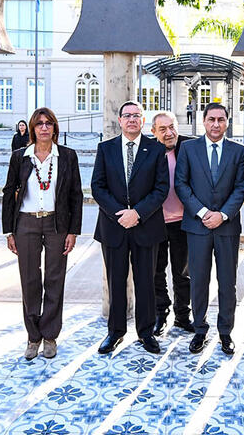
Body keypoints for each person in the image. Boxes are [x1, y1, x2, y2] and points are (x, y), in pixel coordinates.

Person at [3, 108, 83, 360]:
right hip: (26, 223)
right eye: (39, 124)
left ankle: (49, 335)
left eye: (49, 123)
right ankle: (33, 336)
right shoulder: (20, 156)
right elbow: (8, 194)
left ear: (55, 128)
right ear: (32, 128)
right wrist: (9, 231)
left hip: (56, 224)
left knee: (54, 279)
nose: (44, 128)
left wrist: (73, 231)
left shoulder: (68, 156)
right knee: (29, 281)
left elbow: (76, 196)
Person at [91, 101, 169, 355]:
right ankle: (115, 332)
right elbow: (98, 187)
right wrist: (120, 215)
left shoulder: (156, 150)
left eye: (137, 115)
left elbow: (161, 188)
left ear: (143, 121)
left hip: (146, 226)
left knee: (146, 282)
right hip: (114, 227)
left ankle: (146, 333)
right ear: (120, 120)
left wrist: (137, 213)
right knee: (116, 281)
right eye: (128, 115)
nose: (132, 119)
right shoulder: (106, 148)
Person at [175, 102, 244, 355]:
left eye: (221, 119)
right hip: (198, 226)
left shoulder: (238, 151)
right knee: (198, 280)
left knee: (227, 282)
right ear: (203, 122)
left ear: (227, 122)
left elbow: (241, 187)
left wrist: (223, 215)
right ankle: (200, 330)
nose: (216, 124)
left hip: (227, 227)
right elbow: (181, 185)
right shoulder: (188, 148)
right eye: (211, 119)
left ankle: (226, 332)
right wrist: (205, 213)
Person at [150, 111, 193, 336]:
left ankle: (183, 315)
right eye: (163, 129)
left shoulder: (188, 146)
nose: (169, 133)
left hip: (182, 222)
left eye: (172, 127)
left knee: (183, 272)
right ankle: (160, 314)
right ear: (153, 132)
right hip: (155, 222)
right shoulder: (147, 151)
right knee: (157, 271)